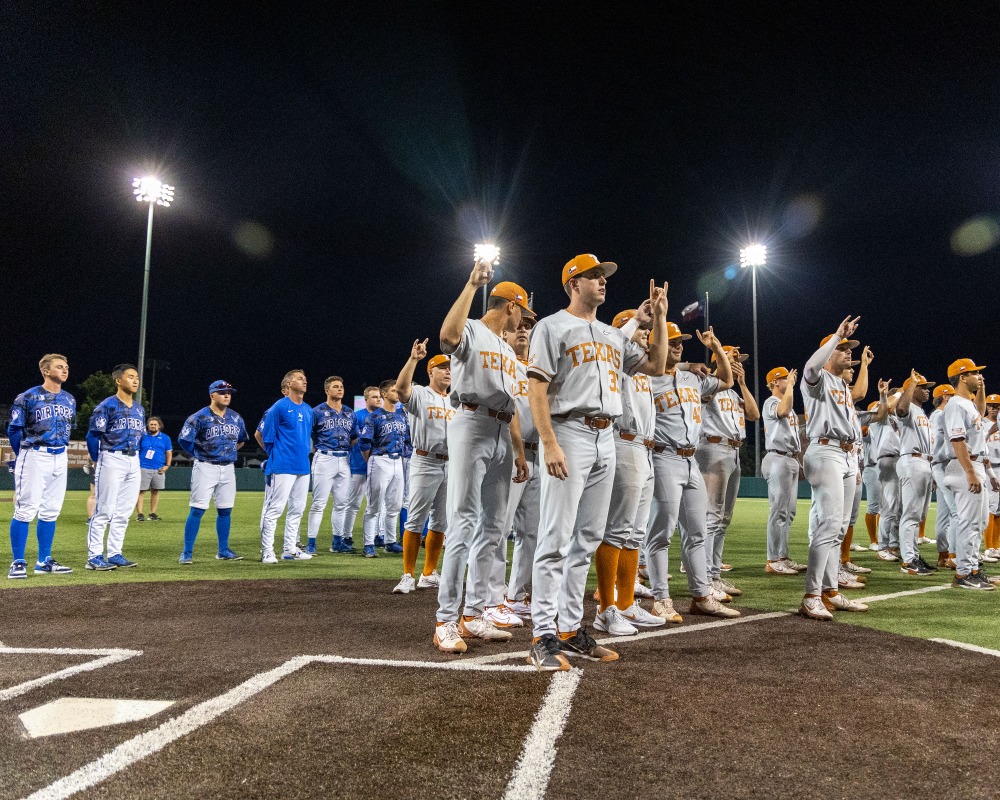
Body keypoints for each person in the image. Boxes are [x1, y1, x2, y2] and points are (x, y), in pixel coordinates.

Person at [527, 255, 667, 670]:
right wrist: (549, 443)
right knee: (555, 537)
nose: (602, 282)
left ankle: (570, 629)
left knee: (586, 539)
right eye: (594, 276)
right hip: (568, 431)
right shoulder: (550, 326)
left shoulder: (609, 334)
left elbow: (657, 365)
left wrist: (656, 318)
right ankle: (541, 635)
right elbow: (537, 388)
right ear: (573, 283)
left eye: (603, 276)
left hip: (606, 435)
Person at [432, 260, 530, 655]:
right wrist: (471, 284)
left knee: (493, 527)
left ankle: (473, 614)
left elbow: (519, 404)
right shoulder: (472, 328)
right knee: (464, 521)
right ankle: (445, 620)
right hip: (471, 422)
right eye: (523, 313)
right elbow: (446, 337)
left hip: (502, 431)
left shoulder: (508, 349)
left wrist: (520, 451)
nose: (525, 322)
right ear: (510, 305)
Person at [645, 322, 735, 622]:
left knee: (696, 532)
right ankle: (660, 598)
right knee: (661, 533)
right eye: (670, 341)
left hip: (690, 461)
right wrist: (681, 362)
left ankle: (701, 595)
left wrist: (716, 349)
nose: (677, 345)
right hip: (662, 457)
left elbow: (727, 380)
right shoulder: (646, 377)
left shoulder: (691, 377)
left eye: (679, 341)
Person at [592, 308, 666, 634]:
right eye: (640, 332)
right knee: (616, 530)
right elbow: (613, 343)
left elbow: (660, 361)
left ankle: (625, 604)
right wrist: (634, 321)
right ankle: (605, 607)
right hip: (622, 442)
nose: (644, 337)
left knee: (635, 534)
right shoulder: (614, 355)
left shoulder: (642, 368)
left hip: (645, 449)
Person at [798, 321, 869, 619]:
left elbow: (857, 405)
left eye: (848, 349)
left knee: (838, 528)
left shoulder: (841, 385)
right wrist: (836, 336)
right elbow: (809, 369)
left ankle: (830, 591)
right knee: (828, 526)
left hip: (843, 453)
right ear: (828, 354)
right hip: (825, 450)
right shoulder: (819, 379)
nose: (847, 353)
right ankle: (811, 595)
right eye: (842, 350)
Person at [7, 353, 76, 579]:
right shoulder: (28, 397)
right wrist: (23, 456)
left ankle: (44, 560)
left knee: (51, 510)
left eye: (66, 367)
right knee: (26, 509)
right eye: (59, 366)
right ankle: (18, 562)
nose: (65, 370)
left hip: (60, 455)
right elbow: (14, 429)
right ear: (46, 371)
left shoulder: (69, 399)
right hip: (35, 454)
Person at [697, 345, 759, 598]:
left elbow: (753, 415)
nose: (738, 363)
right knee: (712, 516)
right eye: (734, 359)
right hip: (713, 448)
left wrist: (742, 384)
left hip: (732, 451)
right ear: (719, 361)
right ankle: (705, 579)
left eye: (739, 360)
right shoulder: (709, 384)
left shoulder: (734, 395)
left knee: (723, 518)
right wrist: (725, 372)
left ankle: (714, 574)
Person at [392, 342, 452, 593]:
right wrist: (413, 359)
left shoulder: (456, 400)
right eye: (443, 368)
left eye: (451, 368)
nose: (448, 371)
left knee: (440, 522)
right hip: (425, 460)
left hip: (450, 462)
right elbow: (401, 388)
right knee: (416, 519)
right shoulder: (420, 395)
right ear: (431, 372)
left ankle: (429, 573)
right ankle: (407, 574)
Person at [177, 380, 250, 564]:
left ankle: (223, 550)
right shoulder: (199, 417)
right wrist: (198, 453)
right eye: (222, 392)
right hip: (205, 466)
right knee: (197, 509)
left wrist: (229, 450)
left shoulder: (236, 417)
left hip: (228, 467)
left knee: (225, 510)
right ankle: (187, 552)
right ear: (212, 395)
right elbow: (184, 440)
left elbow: (242, 439)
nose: (227, 395)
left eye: (229, 392)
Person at [942, 359, 996, 589]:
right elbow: (957, 439)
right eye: (975, 373)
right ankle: (964, 573)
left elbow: (979, 414)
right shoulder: (955, 404)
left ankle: (972, 568)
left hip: (974, 466)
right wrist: (969, 472)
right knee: (969, 523)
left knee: (979, 522)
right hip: (965, 465)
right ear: (963, 377)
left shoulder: (968, 404)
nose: (980, 376)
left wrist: (982, 389)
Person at [86, 363, 145, 570]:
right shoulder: (107, 406)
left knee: (123, 512)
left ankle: (115, 553)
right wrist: (97, 459)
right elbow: (93, 436)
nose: (135, 380)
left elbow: (142, 437)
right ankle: (93, 556)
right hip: (111, 457)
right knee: (104, 509)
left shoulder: (139, 409)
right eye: (130, 376)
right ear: (118, 380)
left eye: (136, 377)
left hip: (133, 460)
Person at [259, 370, 314, 563]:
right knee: (275, 509)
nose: (304, 381)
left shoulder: (308, 409)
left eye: (305, 379)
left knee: (297, 510)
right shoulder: (279, 407)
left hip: (303, 466)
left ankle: (290, 549)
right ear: (289, 384)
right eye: (300, 378)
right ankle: (267, 551)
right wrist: (276, 455)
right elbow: (262, 435)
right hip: (282, 466)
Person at [306, 376, 358, 554]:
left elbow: (355, 436)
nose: (340, 389)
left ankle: (337, 542)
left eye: (341, 386)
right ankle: (311, 543)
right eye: (335, 386)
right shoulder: (317, 411)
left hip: (344, 459)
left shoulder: (350, 412)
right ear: (327, 390)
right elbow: (307, 433)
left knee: (342, 503)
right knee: (318, 503)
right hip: (324, 457)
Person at [761, 366, 805, 575]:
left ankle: (782, 556)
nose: (789, 380)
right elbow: (783, 411)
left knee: (789, 513)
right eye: (785, 378)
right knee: (778, 510)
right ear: (775, 382)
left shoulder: (787, 402)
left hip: (790, 458)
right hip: (777, 457)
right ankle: (772, 560)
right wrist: (792, 388)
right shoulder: (772, 402)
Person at [895, 371, 938, 576]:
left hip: (924, 463)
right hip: (912, 460)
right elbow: (901, 408)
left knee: (918, 514)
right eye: (923, 387)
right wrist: (910, 384)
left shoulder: (922, 412)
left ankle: (913, 554)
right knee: (911, 513)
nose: (927, 390)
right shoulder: (909, 407)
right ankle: (908, 560)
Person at [360, 380, 409, 557]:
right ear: (384, 394)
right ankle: (369, 544)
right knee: (374, 505)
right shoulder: (374, 416)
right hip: (379, 459)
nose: (398, 393)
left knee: (395, 505)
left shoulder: (402, 414)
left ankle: (390, 541)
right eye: (394, 391)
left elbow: (408, 439)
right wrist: (372, 461)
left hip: (398, 461)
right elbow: (364, 443)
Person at [339, 386, 382, 553]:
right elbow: (349, 439)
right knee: (354, 504)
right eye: (374, 397)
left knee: (378, 504)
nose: (378, 399)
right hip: (359, 466)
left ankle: (378, 535)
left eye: (379, 397)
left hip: (379, 468)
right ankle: (346, 536)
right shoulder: (357, 416)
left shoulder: (385, 416)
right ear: (366, 400)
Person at [930, 385, 957, 569]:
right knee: (956, 512)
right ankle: (954, 555)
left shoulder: (933, 416)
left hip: (937, 465)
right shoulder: (941, 415)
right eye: (953, 396)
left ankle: (943, 555)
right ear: (945, 397)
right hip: (944, 465)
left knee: (943, 513)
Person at [135, 417, 172, 521]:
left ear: (159, 426)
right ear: (148, 426)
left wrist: (167, 466)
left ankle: (152, 513)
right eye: (151, 424)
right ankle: (140, 514)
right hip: (143, 467)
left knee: (155, 491)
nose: (152, 426)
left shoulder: (165, 438)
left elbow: (169, 453)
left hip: (159, 468)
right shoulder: (143, 436)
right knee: (141, 491)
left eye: (155, 424)